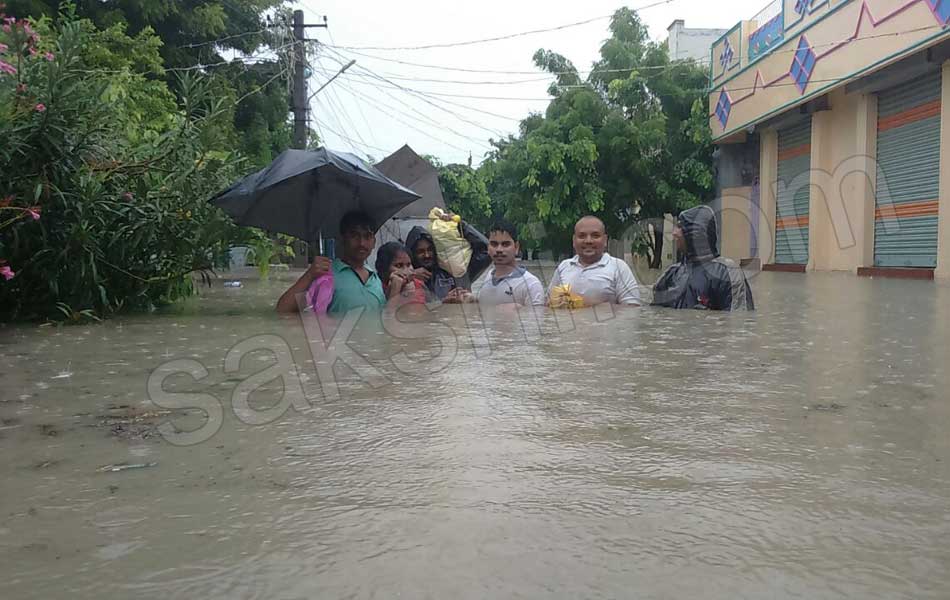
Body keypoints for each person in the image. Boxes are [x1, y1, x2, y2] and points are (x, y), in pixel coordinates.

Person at [276, 211, 385, 314]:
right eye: (354, 235)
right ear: (342, 239)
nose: (361, 243)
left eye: (367, 236)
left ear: (374, 242)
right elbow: (283, 310)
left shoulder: (376, 280)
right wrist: (309, 275)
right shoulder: (325, 274)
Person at [652, 205, 754, 311]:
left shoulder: (727, 273)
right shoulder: (672, 273)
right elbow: (656, 315)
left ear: (694, 232)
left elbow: (740, 319)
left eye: (679, 227)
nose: (674, 233)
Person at [547, 216, 642, 306]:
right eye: (582, 236)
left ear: (605, 240)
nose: (588, 241)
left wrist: (589, 305)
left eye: (595, 236)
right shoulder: (564, 267)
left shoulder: (618, 267)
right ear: (574, 240)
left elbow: (633, 309)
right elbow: (547, 304)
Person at [405, 210, 490, 301]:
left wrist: (460, 225)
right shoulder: (409, 278)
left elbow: (486, 250)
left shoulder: (455, 271)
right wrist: (409, 277)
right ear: (412, 254)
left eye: (430, 250)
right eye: (420, 252)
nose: (426, 255)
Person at [462, 220, 545, 306]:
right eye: (494, 244)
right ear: (488, 248)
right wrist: (472, 301)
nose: (499, 250)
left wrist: (521, 311)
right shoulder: (489, 277)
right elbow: (488, 310)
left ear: (516, 247)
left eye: (505, 244)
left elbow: (538, 317)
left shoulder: (531, 284)